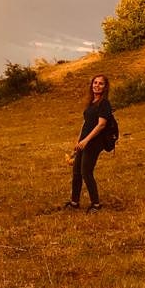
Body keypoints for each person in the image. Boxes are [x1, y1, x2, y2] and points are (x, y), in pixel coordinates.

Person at [64, 73, 113, 213]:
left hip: (94, 143)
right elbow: (85, 123)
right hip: (83, 142)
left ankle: (96, 205)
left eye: (100, 83)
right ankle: (74, 202)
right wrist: (78, 140)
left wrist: (86, 140)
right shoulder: (91, 103)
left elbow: (101, 124)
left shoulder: (104, 103)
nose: (97, 85)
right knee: (76, 172)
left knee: (86, 172)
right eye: (95, 83)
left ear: (105, 87)